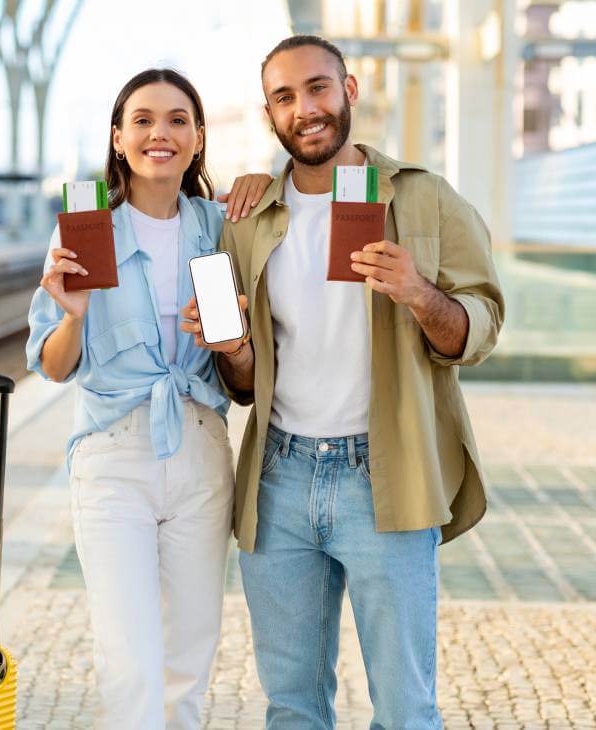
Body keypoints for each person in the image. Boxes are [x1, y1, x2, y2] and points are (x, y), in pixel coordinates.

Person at [182, 35, 505, 729]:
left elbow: (480, 327)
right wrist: (233, 350)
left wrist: (420, 294)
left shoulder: (424, 198)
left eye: (318, 88)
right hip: (279, 478)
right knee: (293, 708)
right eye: (285, 97)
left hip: (387, 475)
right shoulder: (248, 218)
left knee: (406, 710)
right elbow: (243, 383)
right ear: (270, 113)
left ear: (349, 90)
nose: (305, 109)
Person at [26, 68, 271, 729]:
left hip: (201, 449)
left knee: (190, 654)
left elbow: (250, 354)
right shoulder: (84, 230)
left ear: (198, 138)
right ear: (118, 138)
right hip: (113, 456)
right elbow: (53, 367)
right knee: (129, 656)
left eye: (176, 120)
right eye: (142, 120)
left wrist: (264, 181)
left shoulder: (222, 226)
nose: (159, 133)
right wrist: (73, 315)